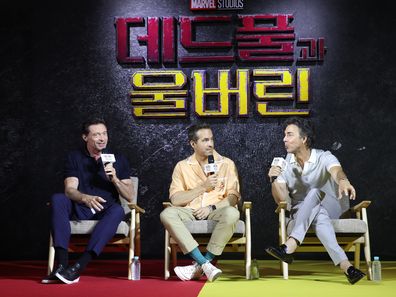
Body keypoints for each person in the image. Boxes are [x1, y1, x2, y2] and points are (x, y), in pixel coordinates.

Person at [265, 117, 365, 285]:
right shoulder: (283, 164)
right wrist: (273, 179)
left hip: (331, 206)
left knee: (315, 192)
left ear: (304, 139)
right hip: (301, 212)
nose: (284, 139)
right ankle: (348, 268)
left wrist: (343, 181)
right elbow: (280, 200)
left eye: (289, 135)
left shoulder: (323, 156)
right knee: (319, 217)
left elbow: (336, 171)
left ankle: (290, 244)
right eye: (284, 135)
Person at [42, 118, 133, 284]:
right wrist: (85, 198)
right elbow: (70, 189)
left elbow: (129, 196)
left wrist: (115, 179)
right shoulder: (74, 157)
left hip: (105, 210)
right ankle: (61, 266)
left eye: (104, 133)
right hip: (80, 207)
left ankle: (78, 266)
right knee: (58, 199)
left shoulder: (118, 159)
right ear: (85, 137)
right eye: (96, 134)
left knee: (118, 210)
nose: (102, 138)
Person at [160, 123, 241, 282]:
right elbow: (175, 199)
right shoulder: (182, 166)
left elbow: (233, 197)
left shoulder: (226, 164)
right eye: (205, 140)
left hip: (216, 210)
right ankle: (205, 263)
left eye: (211, 139)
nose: (210, 144)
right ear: (193, 144)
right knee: (167, 213)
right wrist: (203, 187)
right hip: (189, 211)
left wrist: (211, 207)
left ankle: (201, 264)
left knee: (233, 212)